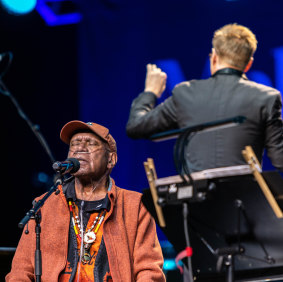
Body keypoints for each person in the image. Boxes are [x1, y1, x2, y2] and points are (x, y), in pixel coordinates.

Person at [6, 120, 165, 281]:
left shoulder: (135, 205)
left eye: (91, 143)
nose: (80, 148)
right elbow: (21, 271)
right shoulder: (44, 205)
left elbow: (149, 270)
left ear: (111, 159)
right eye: (74, 144)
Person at [126, 23, 283, 172]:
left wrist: (150, 92)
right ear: (249, 64)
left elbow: (136, 127)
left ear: (213, 57)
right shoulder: (267, 97)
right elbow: (279, 159)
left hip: (195, 198)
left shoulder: (185, 92)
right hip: (245, 198)